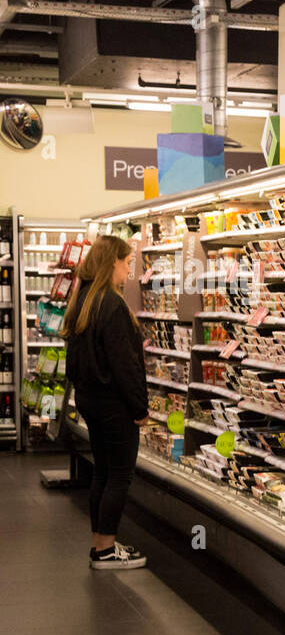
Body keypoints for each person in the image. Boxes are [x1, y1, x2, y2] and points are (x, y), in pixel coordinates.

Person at [61, 235, 149, 570]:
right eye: (127, 262)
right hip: (115, 406)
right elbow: (124, 365)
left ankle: (100, 544)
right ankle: (107, 550)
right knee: (120, 475)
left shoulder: (83, 299)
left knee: (103, 471)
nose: (129, 269)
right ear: (113, 261)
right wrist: (139, 409)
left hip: (90, 401)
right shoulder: (112, 306)